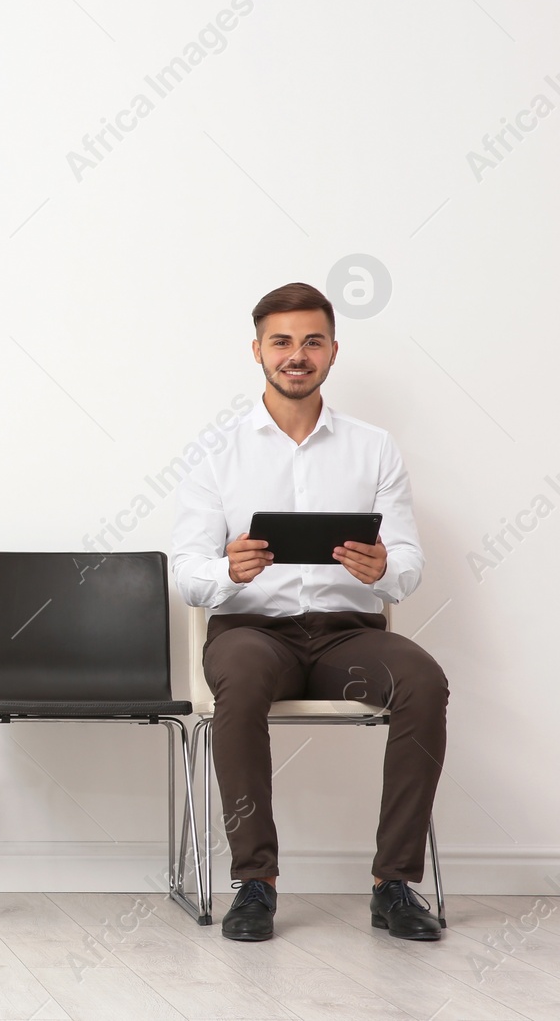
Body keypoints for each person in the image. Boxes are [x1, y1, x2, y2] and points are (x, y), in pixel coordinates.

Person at [172, 281, 449, 942]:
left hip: (345, 641)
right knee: (239, 678)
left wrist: (384, 568)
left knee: (422, 680)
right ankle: (255, 881)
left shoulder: (373, 447)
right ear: (258, 350)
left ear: (331, 351)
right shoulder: (217, 450)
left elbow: (409, 559)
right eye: (282, 341)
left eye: (312, 341)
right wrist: (225, 569)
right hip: (251, 632)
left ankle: (393, 884)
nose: (297, 354)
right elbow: (185, 571)